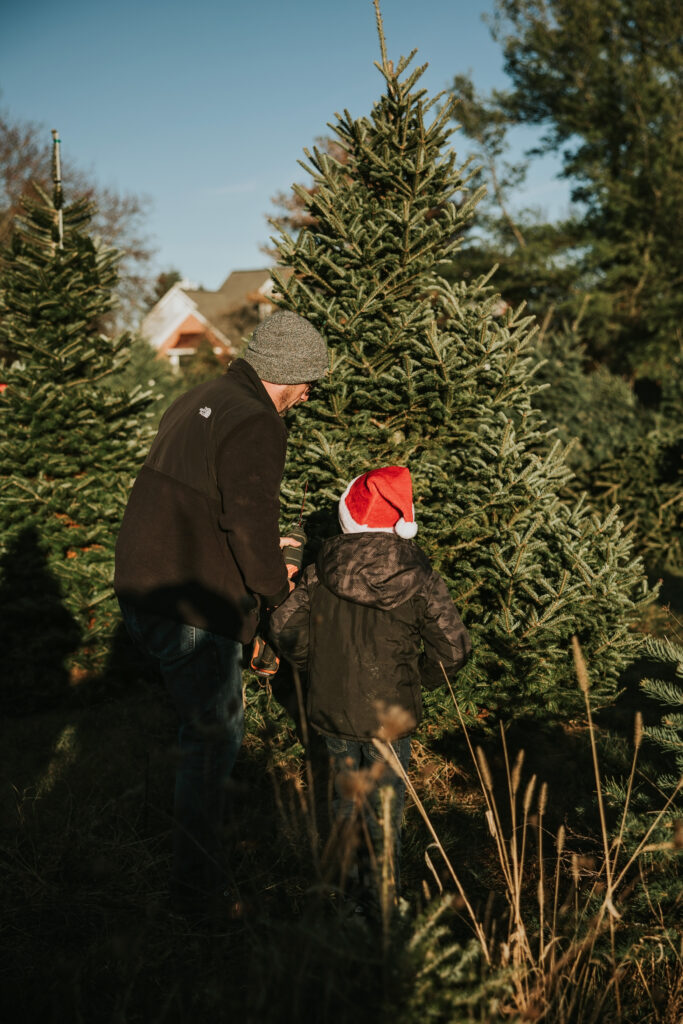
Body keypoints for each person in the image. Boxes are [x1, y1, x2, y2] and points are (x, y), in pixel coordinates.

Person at [114, 309, 328, 914]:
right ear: (286, 374)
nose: (309, 395)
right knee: (214, 736)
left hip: (143, 583)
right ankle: (198, 892)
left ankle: (186, 862)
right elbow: (248, 523)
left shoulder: (201, 396)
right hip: (190, 603)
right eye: (309, 381)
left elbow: (209, 504)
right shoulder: (257, 420)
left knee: (195, 729)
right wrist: (276, 592)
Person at [269, 465, 471, 910]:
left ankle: (343, 898)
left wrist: (311, 666)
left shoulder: (322, 568)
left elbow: (284, 627)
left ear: (347, 516)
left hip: (332, 709)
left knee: (346, 802)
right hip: (390, 718)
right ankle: (382, 905)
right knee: (383, 812)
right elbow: (453, 649)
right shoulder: (421, 577)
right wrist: (417, 676)